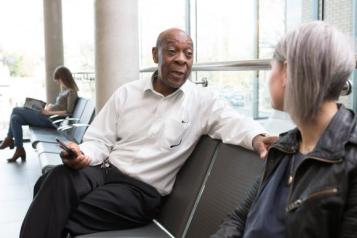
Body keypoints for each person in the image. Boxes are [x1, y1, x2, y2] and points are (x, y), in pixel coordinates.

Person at [20, 28, 276, 238]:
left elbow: (233, 122)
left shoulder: (202, 102)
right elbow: (99, 140)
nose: (181, 60)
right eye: (173, 51)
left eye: (188, 54)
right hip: (103, 171)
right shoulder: (127, 93)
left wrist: (257, 138)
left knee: (51, 202)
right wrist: (82, 154)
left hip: (140, 193)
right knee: (56, 179)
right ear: (156, 54)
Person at [212, 21, 357, 238]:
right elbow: (239, 218)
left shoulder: (350, 160)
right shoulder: (285, 147)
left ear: (287, 72)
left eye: (271, 68)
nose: (268, 78)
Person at [0, 66, 78, 162]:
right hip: (47, 116)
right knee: (15, 119)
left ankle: (9, 138)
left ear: (63, 77)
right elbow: (60, 107)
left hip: (50, 121)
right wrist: (50, 106)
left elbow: (68, 112)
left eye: (58, 79)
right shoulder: (65, 91)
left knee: (15, 109)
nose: (58, 82)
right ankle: (19, 149)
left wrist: (48, 112)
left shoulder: (71, 92)